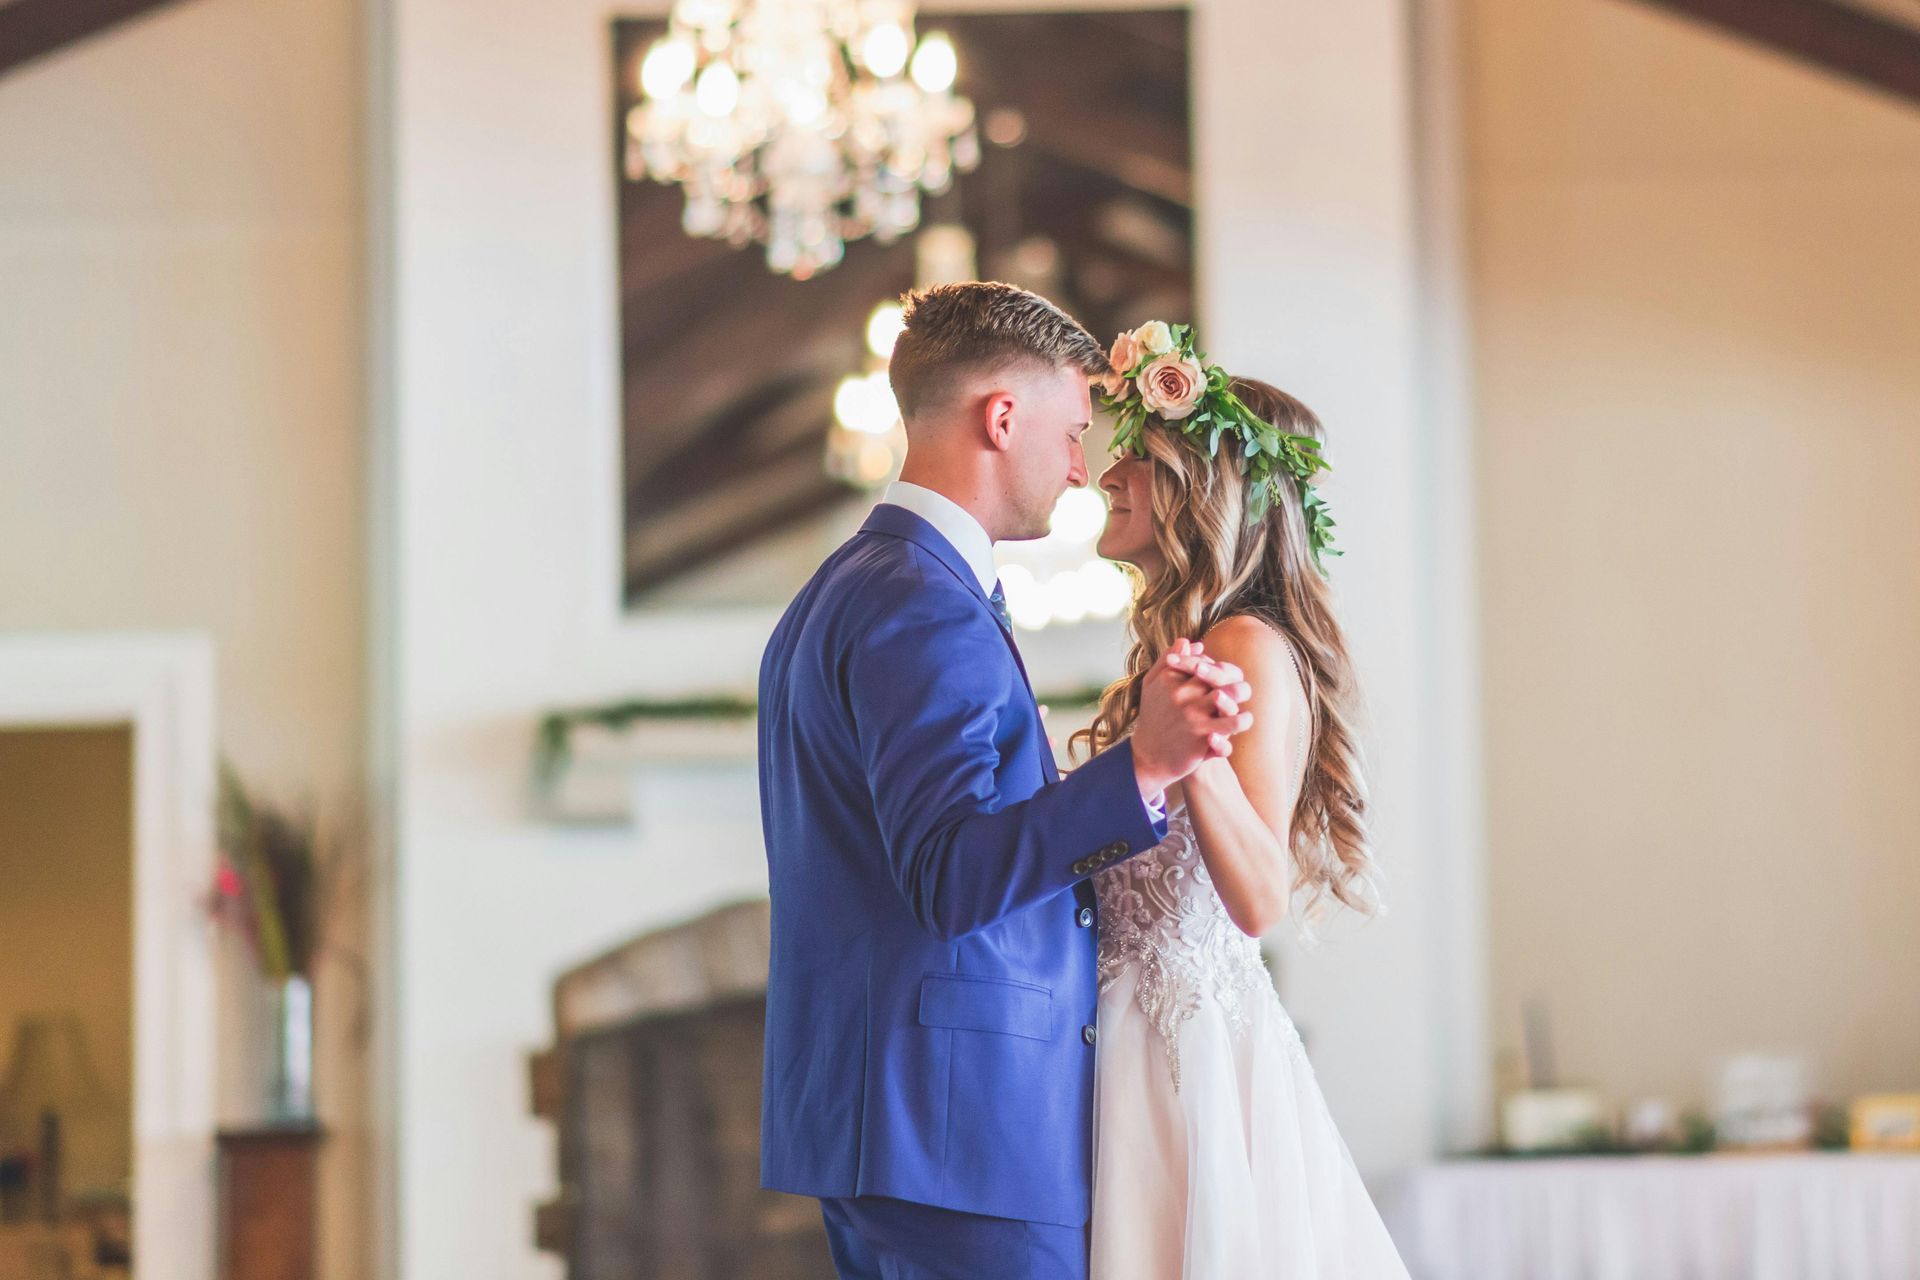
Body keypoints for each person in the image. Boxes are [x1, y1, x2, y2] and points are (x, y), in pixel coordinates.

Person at [757, 283, 1254, 1279]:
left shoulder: (847, 586)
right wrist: (1146, 763)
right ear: (1001, 417)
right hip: (960, 1130)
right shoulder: (919, 602)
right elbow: (947, 872)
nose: (1081, 467)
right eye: (1073, 432)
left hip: (899, 1126)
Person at [1080, 321, 1410, 1277]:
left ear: (1202, 489)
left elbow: (1258, 897)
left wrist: (1181, 751)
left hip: (1186, 1061)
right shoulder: (1191, 649)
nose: (1107, 475)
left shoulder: (1245, 648)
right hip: (1137, 1038)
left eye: (1135, 461)